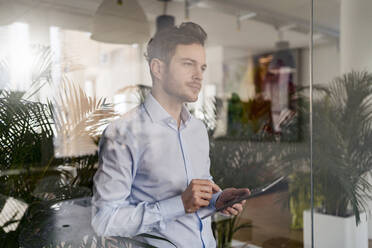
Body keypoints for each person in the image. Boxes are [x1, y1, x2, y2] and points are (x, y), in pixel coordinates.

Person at [91, 22, 250, 248]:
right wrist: (179, 204)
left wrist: (217, 200)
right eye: (188, 64)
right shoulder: (124, 132)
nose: (198, 76)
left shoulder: (198, 130)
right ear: (158, 69)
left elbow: (200, 190)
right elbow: (104, 221)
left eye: (202, 68)